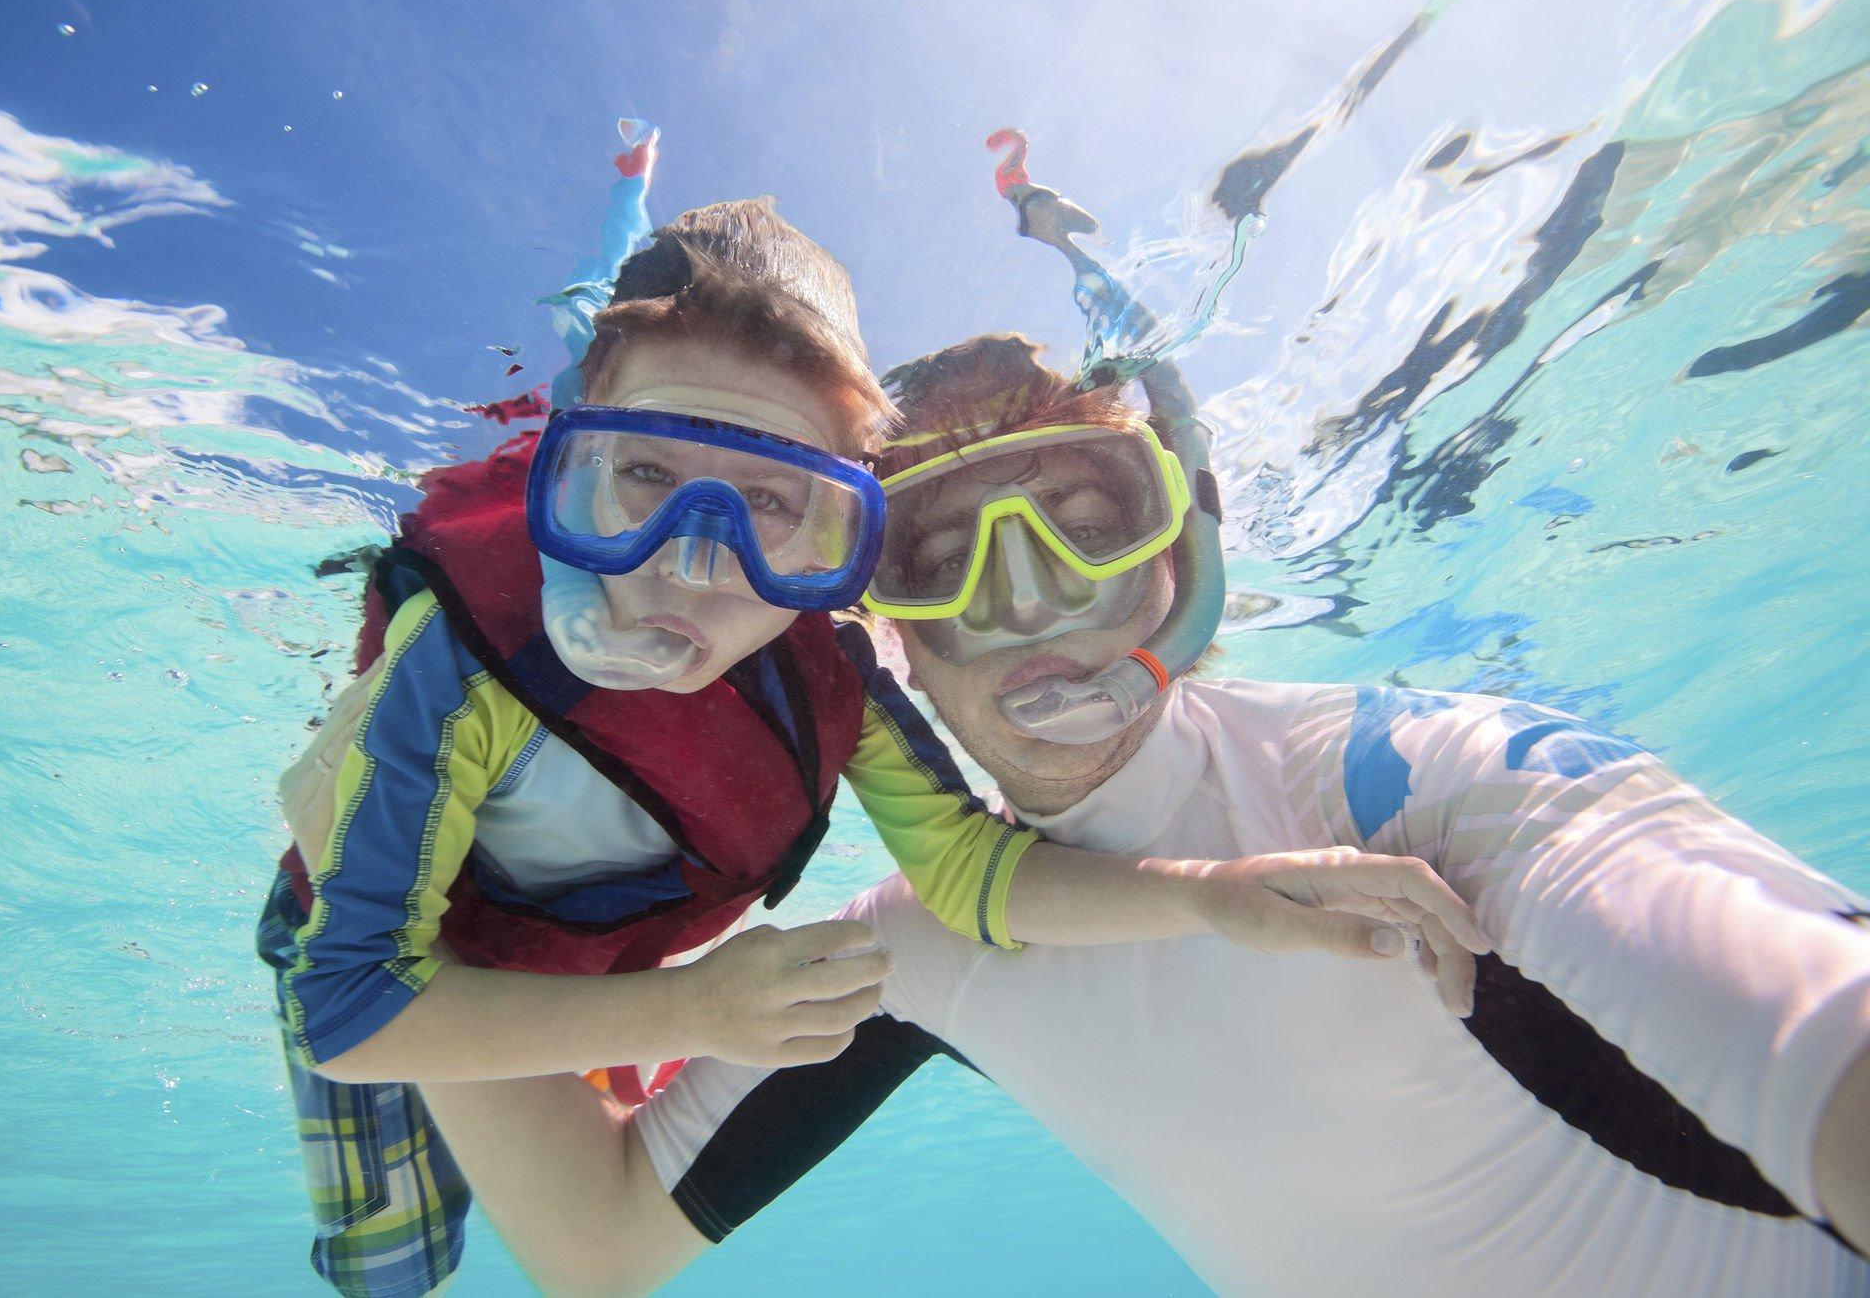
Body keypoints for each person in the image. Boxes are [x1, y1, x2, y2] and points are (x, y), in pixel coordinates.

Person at [259, 134, 1487, 1298]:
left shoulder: (829, 678)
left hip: (599, 956)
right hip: (399, 943)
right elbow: (354, 1010)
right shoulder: (458, 663)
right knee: (394, 1253)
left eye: (770, 506)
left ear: (843, 530)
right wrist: (685, 1010)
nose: (693, 562)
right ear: (569, 470)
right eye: (642, 477)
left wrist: (1202, 895)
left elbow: (968, 871)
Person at [628, 167, 1870, 1296]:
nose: (1023, 605)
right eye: (938, 560)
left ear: (1181, 555)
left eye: (1082, 522)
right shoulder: (916, 940)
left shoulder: (1405, 787)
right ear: (885, 639)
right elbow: (596, 1240)